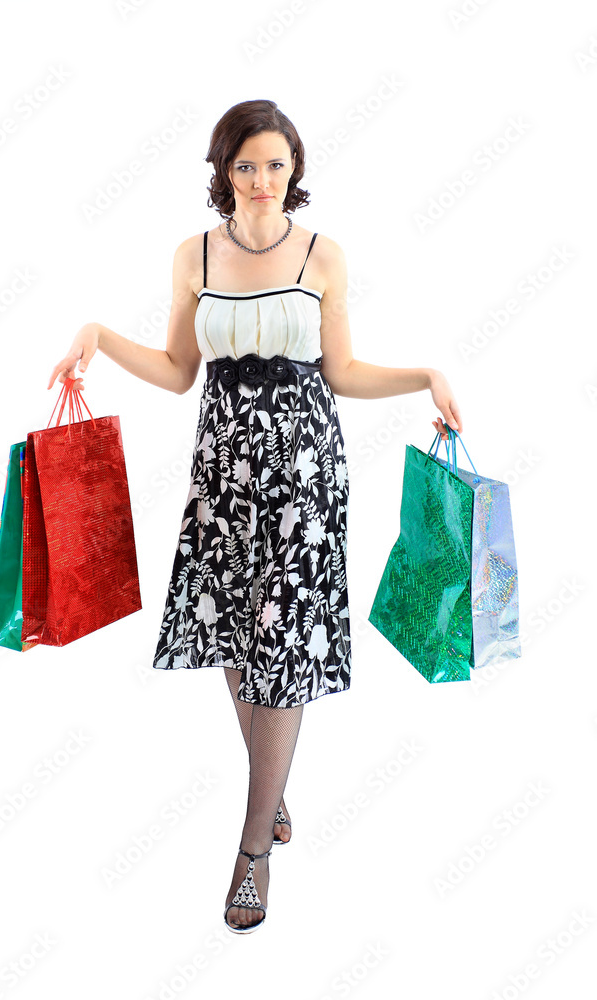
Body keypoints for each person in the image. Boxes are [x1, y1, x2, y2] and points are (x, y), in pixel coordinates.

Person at [47, 99, 463, 934]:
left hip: (306, 473)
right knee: (233, 634)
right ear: (223, 172)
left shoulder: (323, 256)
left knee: (280, 638)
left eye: (277, 165)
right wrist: (96, 332)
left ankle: (252, 849)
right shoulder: (193, 254)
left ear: (295, 170)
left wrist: (424, 375)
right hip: (222, 469)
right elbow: (174, 370)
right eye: (247, 166)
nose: (264, 181)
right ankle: (272, 788)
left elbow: (340, 372)